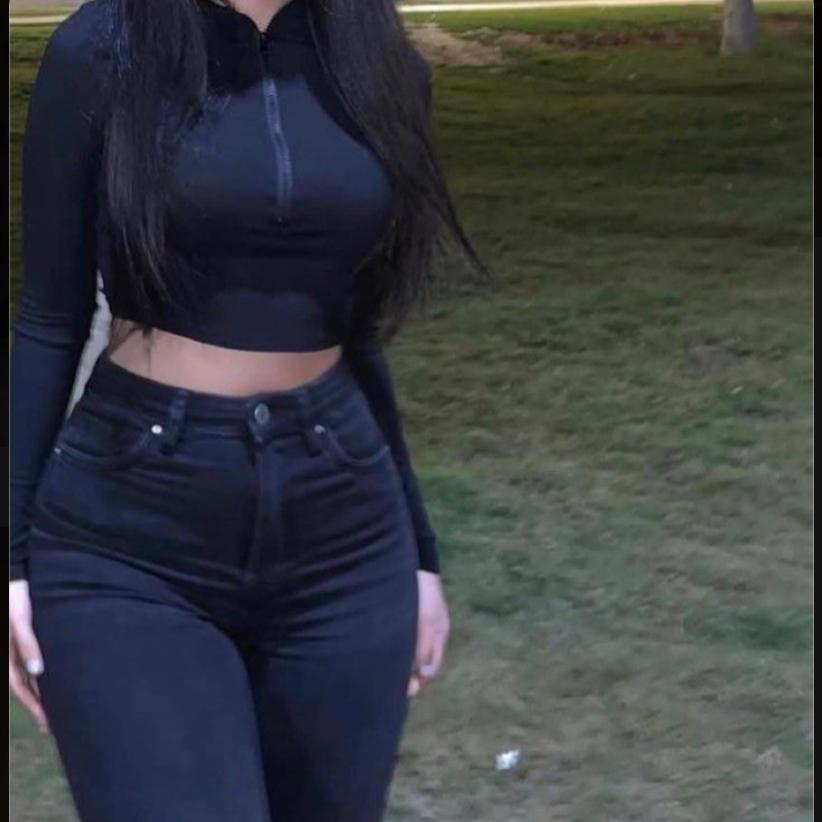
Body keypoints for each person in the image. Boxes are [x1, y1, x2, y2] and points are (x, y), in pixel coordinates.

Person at [8, 1, 492, 820]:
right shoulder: (104, 48)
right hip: (133, 532)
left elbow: (357, 332)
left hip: (343, 525)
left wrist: (419, 553)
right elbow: (49, 318)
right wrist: (12, 555)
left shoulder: (377, 61)